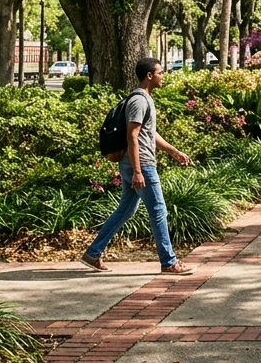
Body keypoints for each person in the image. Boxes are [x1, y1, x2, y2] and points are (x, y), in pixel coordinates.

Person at [83, 58, 194, 274]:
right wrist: (137, 171)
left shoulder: (146, 99)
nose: (164, 76)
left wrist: (173, 151)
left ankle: (93, 253)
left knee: (126, 208)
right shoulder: (139, 101)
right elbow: (132, 136)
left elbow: (148, 133)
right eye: (161, 72)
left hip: (138, 163)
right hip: (141, 164)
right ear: (149, 76)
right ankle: (169, 261)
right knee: (158, 209)